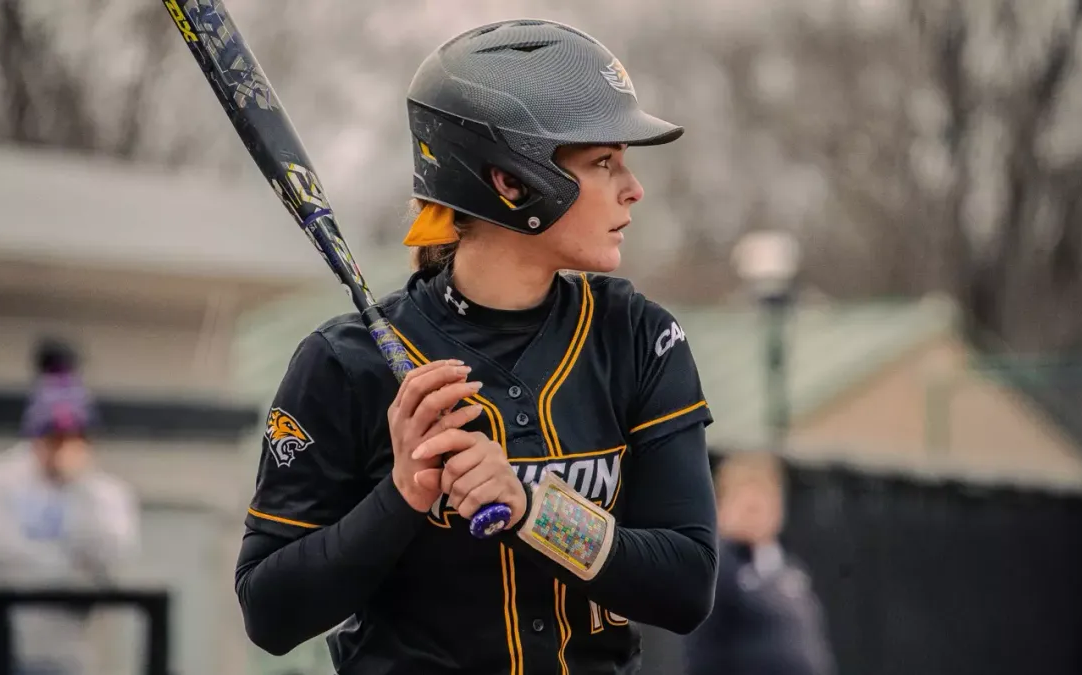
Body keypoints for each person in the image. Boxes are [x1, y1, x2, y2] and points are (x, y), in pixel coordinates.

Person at [234, 18, 719, 675]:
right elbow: (270, 612)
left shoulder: (638, 337)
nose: (634, 187)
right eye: (604, 162)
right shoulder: (344, 363)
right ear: (511, 181)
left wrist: (531, 507)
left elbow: (687, 585)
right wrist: (402, 494)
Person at [0, 339, 140, 675]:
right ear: (34, 435)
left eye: (74, 437)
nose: (63, 447)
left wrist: (79, 488)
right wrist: (63, 569)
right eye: (54, 437)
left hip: (59, 657)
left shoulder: (103, 494)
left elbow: (113, 553)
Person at [683, 452, 835, 675]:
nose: (756, 515)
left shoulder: (789, 570)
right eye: (748, 507)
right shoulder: (717, 569)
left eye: (764, 504)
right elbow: (700, 654)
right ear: (721, 508)